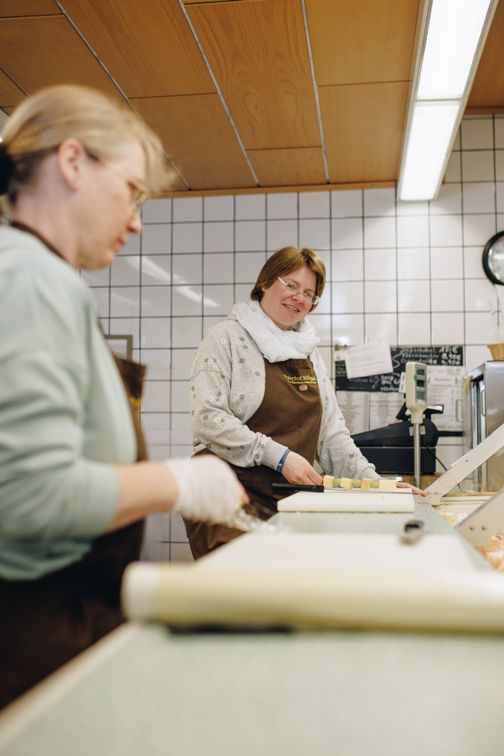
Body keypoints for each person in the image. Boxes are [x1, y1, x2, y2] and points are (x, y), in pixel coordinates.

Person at [0, 84, 246, 709]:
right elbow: (27, 496)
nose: (136, 221)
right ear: (72, 162)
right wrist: (177, 483)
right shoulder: (31, 276)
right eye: (132, 191)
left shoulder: (34, 273)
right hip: (29, 636)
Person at [185, 246, 382, 559]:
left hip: (290, 501)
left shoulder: (309, 353)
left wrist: (378, 485)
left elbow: (332, 435)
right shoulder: (226, 337)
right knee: (244, 583)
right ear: (265, 283)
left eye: (309, 293)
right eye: (291, 285)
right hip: (226, 495)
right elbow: (208, 418)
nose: (299, 298)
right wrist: (280, 458)